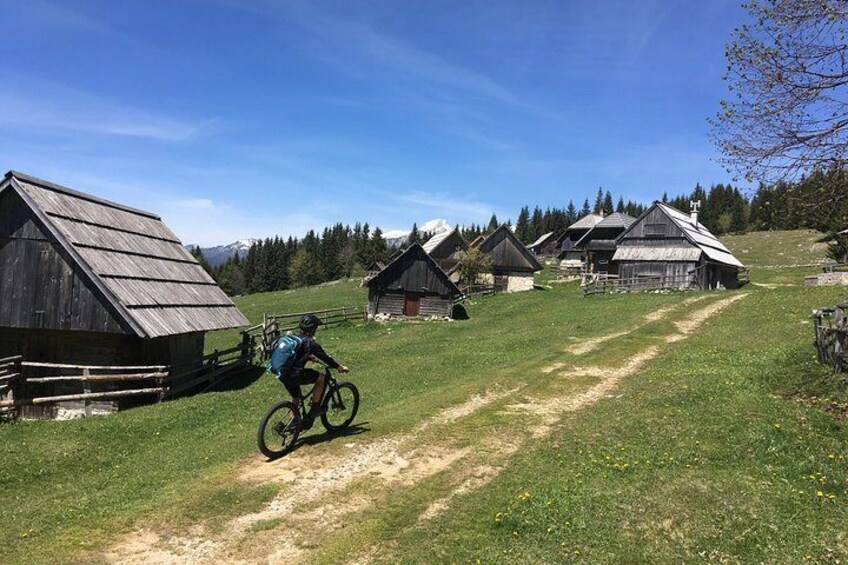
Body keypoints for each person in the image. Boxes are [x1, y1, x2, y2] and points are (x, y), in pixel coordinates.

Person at [279, 314, 348, 427]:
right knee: (321, 378)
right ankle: (315, 409)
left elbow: (295, 355)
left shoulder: (293, 339)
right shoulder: (310, 343)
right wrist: (339, 367)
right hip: (294, 375)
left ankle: (293, 422)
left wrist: (308, 357)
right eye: (315, 327)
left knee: (296, 397)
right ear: (312, 329)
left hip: (282, 374)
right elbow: (325, 357)